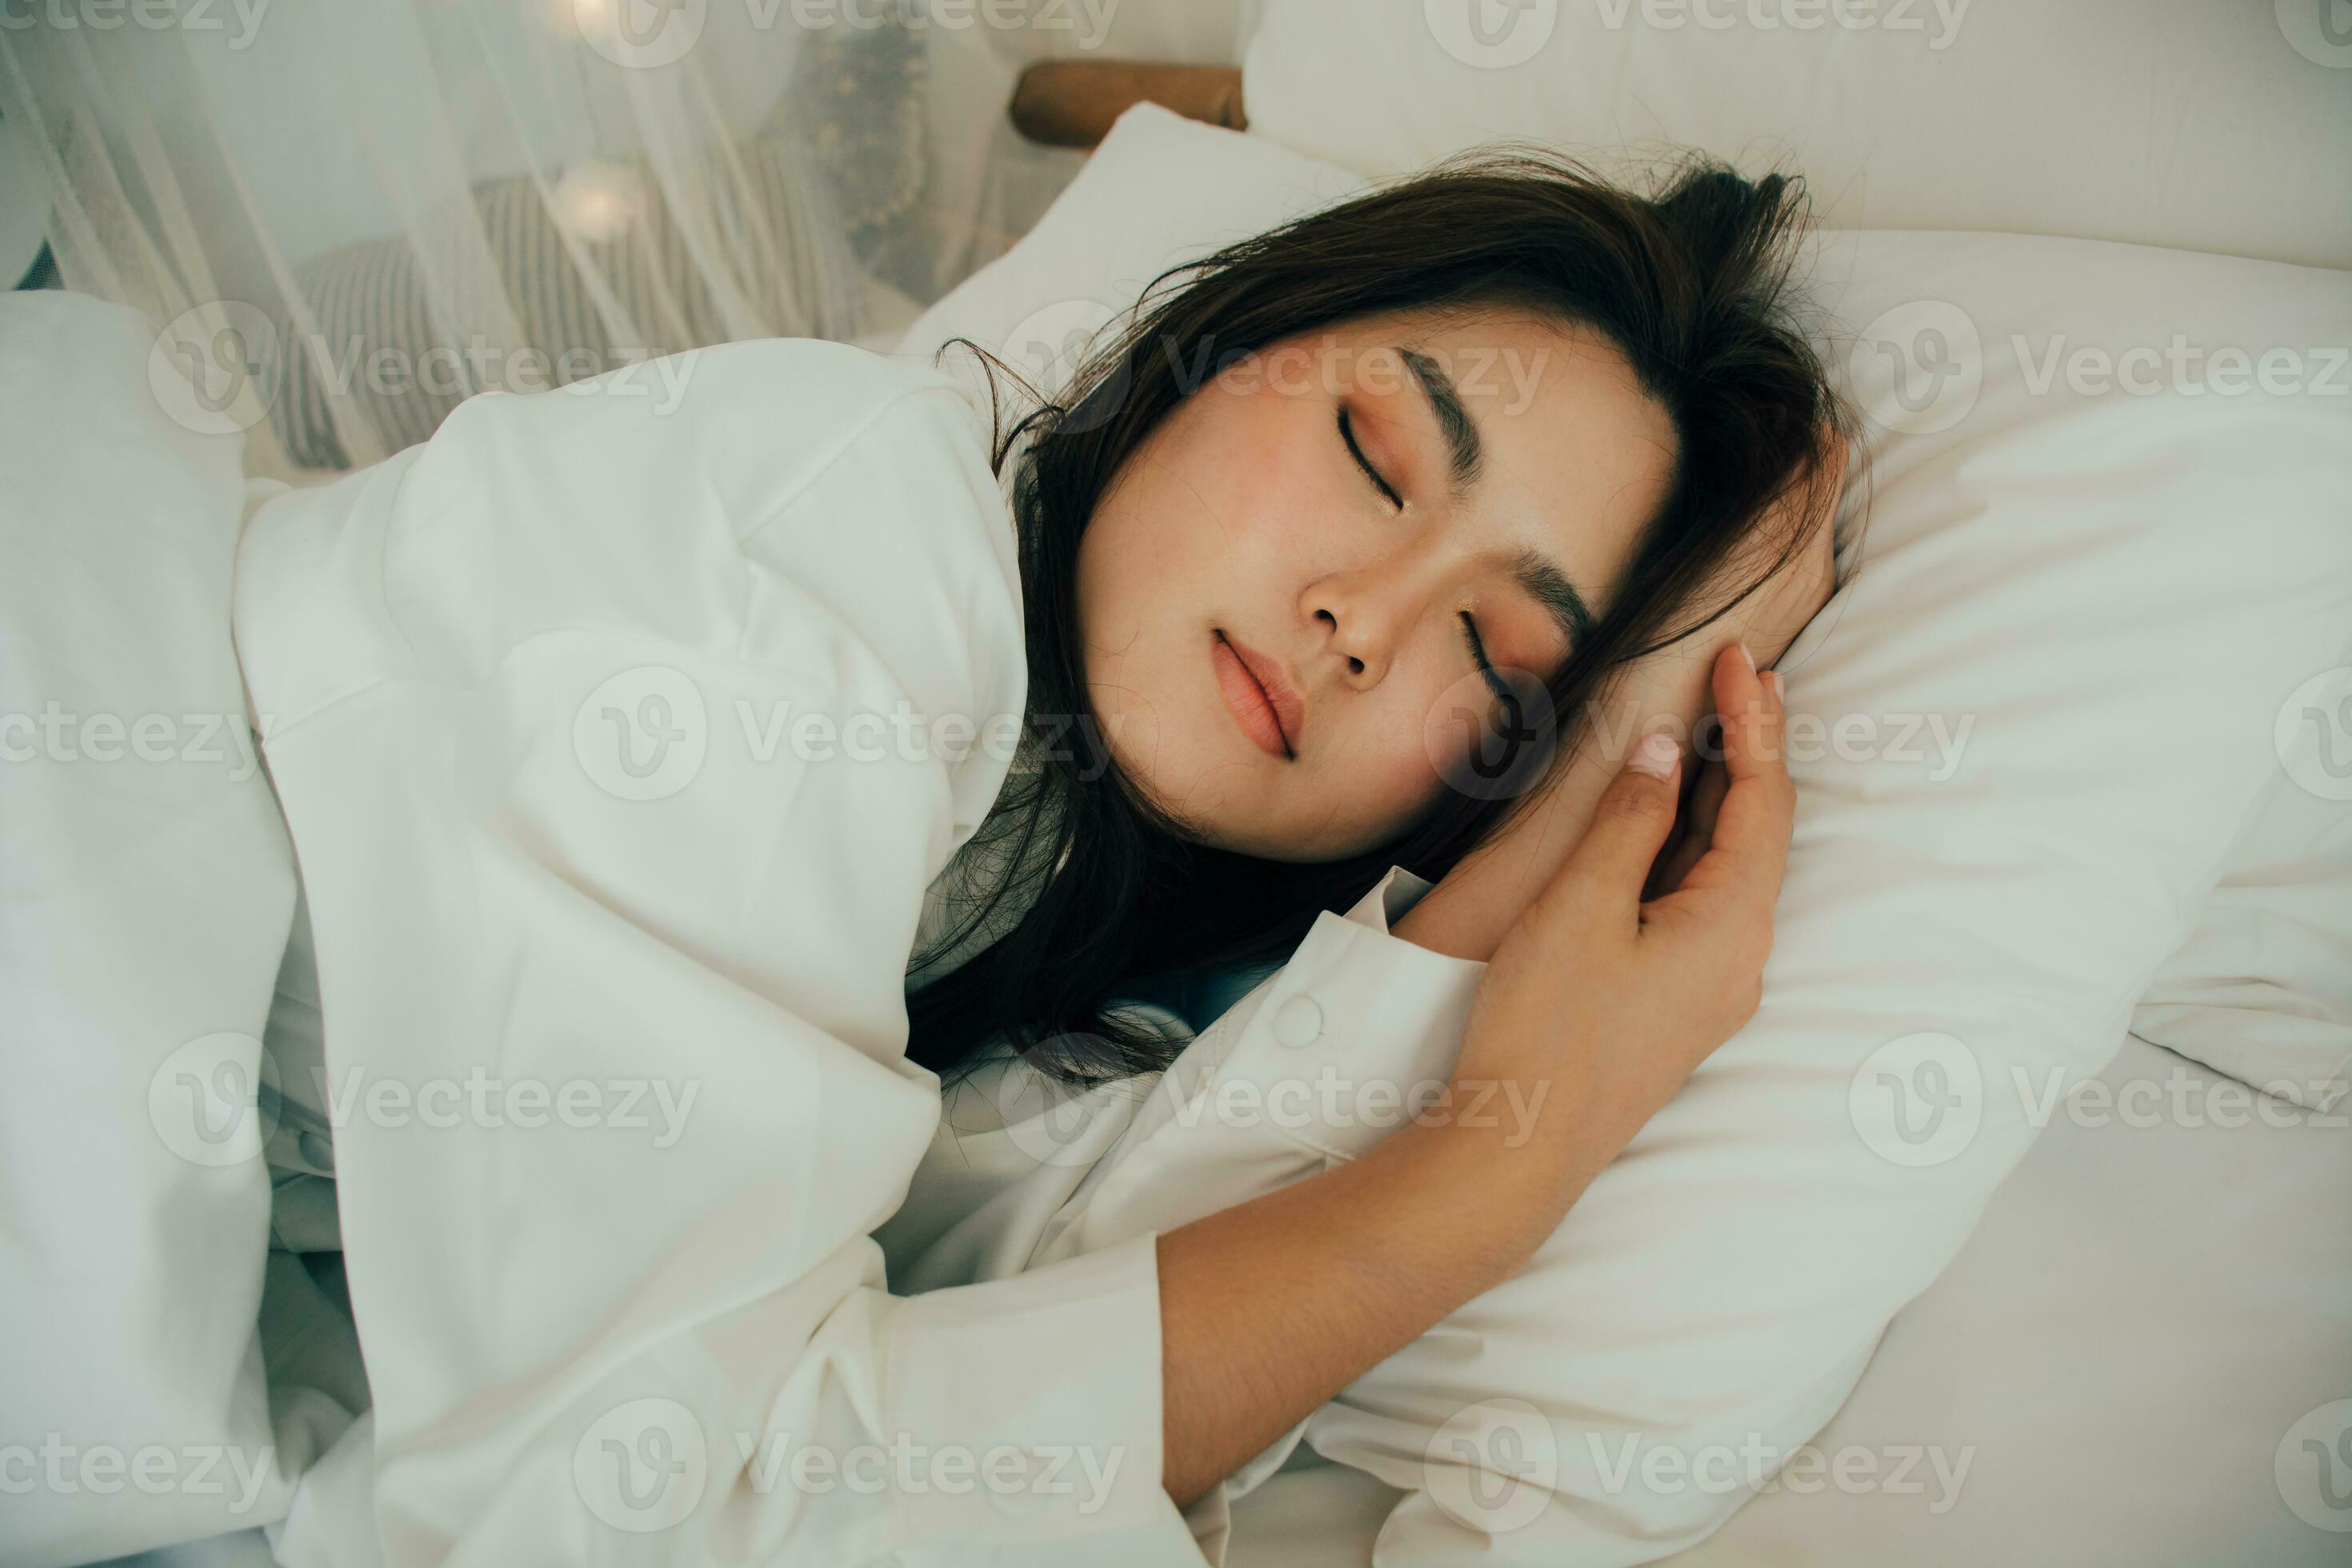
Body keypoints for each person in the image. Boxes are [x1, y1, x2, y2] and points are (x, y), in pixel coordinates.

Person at [222, 149, 1849, 1562]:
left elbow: (989, 1341)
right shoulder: (830, 552)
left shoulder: (1064, 878)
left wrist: (1598, 771)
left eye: (1494, 660)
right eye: (1372, 451)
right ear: (1213, 354)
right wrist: (1503, 1169)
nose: (1366, 621)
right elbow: (629, 1520)